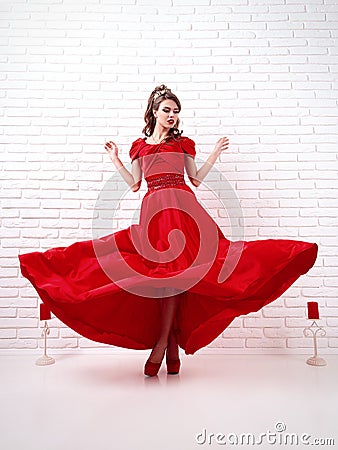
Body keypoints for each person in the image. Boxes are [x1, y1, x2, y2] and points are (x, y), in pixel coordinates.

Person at [19, 84, 318, 377]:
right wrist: (115, 160)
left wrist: (214, 153)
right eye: (167, 110)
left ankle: (162, 345)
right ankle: (170, 346)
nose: (172, 115)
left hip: (184, 212)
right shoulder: (139, 147)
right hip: (153, 216)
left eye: (176, 111)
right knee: (162, 277)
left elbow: (196, 179)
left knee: (176, 275)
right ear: (154, 111)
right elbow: (135, 184)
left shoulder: (182, 143)